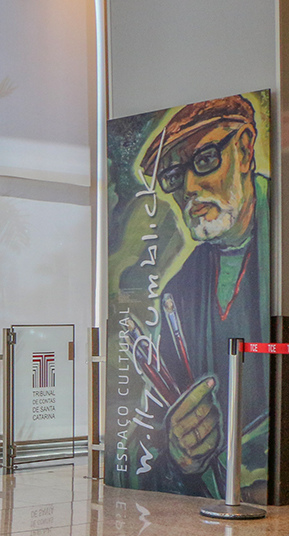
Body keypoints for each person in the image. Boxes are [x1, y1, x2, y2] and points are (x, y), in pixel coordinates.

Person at [135, 94, 270, 500]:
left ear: (245, 151)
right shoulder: (180, 288)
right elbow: (161, 417)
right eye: (175, 177)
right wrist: (180, 450)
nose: (190, 187)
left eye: (206, 159)